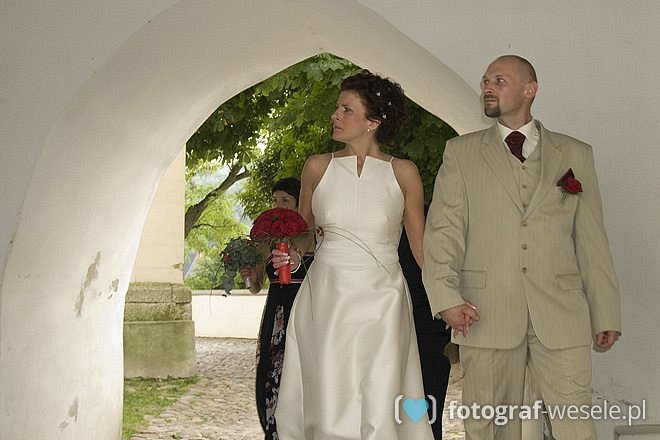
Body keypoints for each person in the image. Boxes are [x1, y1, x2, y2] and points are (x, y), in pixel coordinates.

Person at [422, 55, 621, 439]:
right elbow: (443, 232)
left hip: (562, 314)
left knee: (576, 425)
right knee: (490, 427)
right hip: (484, 313)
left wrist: (606, 311)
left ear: (530, 90)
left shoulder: (576, 154)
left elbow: (592, 240)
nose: (488, 87)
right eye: (485, 81)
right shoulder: (461, 153)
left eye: (499, 80)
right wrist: (445, 297)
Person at [273, 70, 434, 439]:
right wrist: (294, 256)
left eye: (346, 109)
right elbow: (305, 234)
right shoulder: (317, 167)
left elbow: (421, 247)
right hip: (326, 297)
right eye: (337, 108)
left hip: (384, 299)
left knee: (381, 395)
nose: (335, 115)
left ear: (373, 122)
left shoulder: (403, 173)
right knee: (329, 398)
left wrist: (448, 298)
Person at [239, 177, 314, 440]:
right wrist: (249, 276)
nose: (278, 205)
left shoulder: (312, 236)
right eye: (274, 200)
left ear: (300, 203)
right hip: (277, 313)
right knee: (273, 370)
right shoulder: (265, 242)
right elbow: (256, 285)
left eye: (285, 200)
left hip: (307, 311)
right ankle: (275, 429)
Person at [398, 207, 452, 440]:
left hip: (425, 320)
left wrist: (446, 303)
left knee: (427, 396)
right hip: (371, 318)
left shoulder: (431, 216)